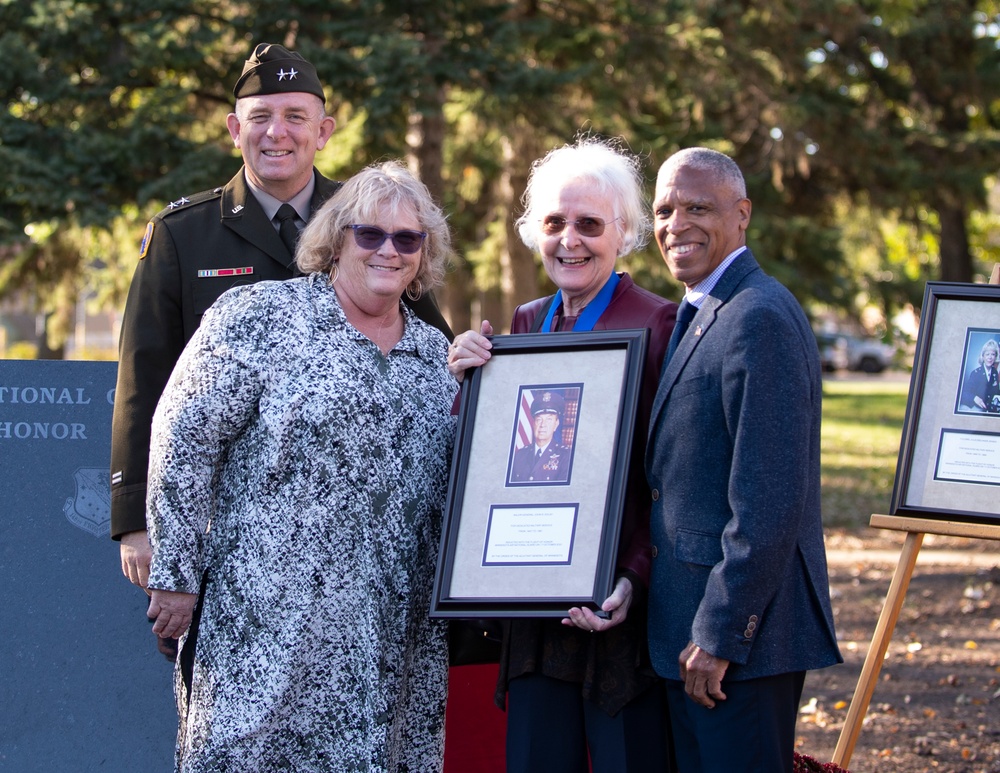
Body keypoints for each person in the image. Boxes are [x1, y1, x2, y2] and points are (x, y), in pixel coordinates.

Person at [110, 42, 452, 659]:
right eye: (262, 116)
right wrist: (136, 519)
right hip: (228, 532)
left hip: (356, 550)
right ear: (235, 128)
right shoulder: (183, 235)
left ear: (323, 132)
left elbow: (426, 342)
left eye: (296, 117)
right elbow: (146, 380)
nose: (278, 133)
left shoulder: (371, 222)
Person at [145, 161, 457, 770]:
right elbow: (182, 441)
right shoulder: (255, 319)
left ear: (424, 253)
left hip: (389, 635)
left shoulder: (436, 356)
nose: (388, 251)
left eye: (407, 239)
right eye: (370, 234)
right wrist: (176, 574)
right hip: (265, 626)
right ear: (336, 238)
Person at [448, 137, 676, 772]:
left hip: (616, 609)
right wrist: (467, 386)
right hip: (532, 607)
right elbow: (497, 464)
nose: (569, 239)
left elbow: (672, 477)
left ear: (625, 232)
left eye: (589, 224)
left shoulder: (658, 324)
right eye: (554, 223)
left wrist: (633, 574)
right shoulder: (525, 324)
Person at [644, 147, 842, 773]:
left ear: (743, 214)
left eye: (698, 207)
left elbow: (769, 500)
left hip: (737, 646)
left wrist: (720, 633)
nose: (677, 225)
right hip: (688, 629)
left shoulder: (758, 316)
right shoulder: (704, 310)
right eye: (664, 209)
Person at [510, 390, 572, 483]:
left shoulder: (566, 456)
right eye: (539, 419)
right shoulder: (519, 455)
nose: (543, 425)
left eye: (549, 420)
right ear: (534, 423)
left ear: (556, 424)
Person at [959, 338, 1000, 413]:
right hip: (977, 408)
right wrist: (974, 398)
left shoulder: (994, 372)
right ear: (983, 356)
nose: (990, 357)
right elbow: (964, 393)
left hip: (990, 409)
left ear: (995, 357)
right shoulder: (976, 373)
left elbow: (995, 392)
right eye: (987, 354)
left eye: (993, 354)